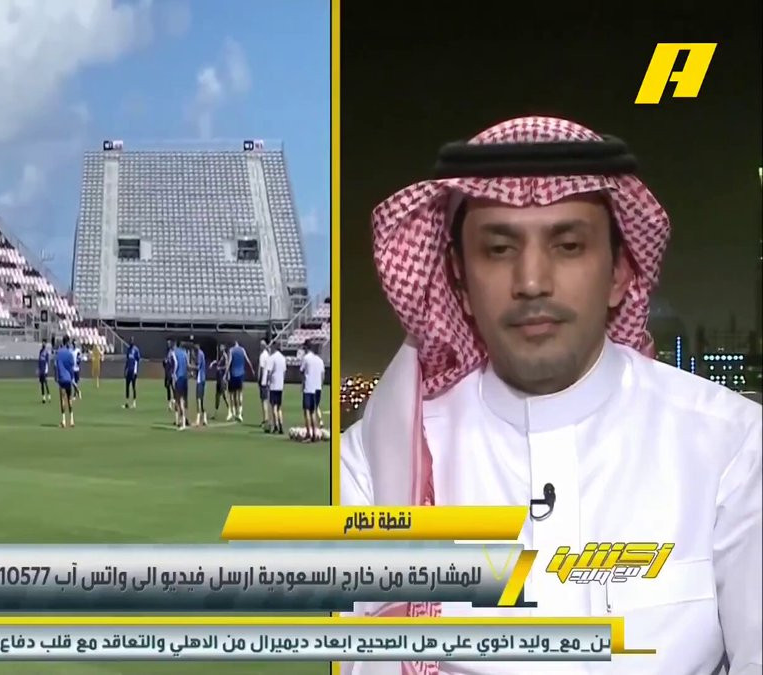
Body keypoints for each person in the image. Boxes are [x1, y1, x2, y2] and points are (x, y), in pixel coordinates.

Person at [339, 117, 761, 675]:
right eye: (498, 249)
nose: (532, 281)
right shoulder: (377, 467)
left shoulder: (731, 447)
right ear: (459, 280)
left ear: (620, 272)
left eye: (568, 246)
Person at [299, 341, 325, 442]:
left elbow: (302, 371)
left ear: (306, 348)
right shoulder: (319, 360)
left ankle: (309, 434)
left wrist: (303, 384)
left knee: (307, 411)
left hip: (309, 388)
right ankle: (314, 434)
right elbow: (322, 375)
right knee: (313, 411)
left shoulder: (306, 358)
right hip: (317, 388)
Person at [225, 340, 251, 422]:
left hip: (233, 374)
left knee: (232, 394)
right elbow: (247, 360)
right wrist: (252, 369)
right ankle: (239, 413)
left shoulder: (231, 350)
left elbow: (229, 362)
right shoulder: (242, 349)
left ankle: (233, 412)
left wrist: (226, 373)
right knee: (240, 393)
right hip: (241, 374)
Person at [54, 336, 76, 428]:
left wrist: (56, 377)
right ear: (68, 342)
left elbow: (56, 366)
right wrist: (72, 379)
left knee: (62, 399)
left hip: (61, 379)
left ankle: (63, 421)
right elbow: (71, 368)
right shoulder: (70, 354)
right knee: (69, 398)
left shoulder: (59, 353)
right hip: (68, 379)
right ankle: (71, 420)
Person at [265, 342, 286, 434]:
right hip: (280, 385)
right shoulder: (283, 358)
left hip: (273, 385)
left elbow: (269, 372)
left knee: (274, 406)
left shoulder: (272, 358)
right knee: (279, 407)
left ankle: (276, 425)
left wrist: (267, 382)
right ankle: (281, 425)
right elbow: (284, 372)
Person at [171, 341, 190, 430]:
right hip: (185, 378)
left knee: (179, 400)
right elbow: (188, 364)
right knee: (183, 400)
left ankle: (182, 423)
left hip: (178, 378)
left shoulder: (174, 353)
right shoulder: (185, 353)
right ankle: (183, 421)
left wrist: (174, 374)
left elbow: (175, 364)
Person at [256, 339, 271, 429]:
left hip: (263, 381)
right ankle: (266, 418)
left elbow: (261, 369)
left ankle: (265, 419)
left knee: (263, 401)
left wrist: (258, 379)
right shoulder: (268, 355)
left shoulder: (262, 356)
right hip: (267, 381)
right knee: (266, 400)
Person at [124, 337, 141, 409]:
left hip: (133, 371)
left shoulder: (136, 350)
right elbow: (127, 360)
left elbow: (137, 361)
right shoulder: (128, 350)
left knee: (133, 386)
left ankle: (134, 403)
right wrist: (125, 370)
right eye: (130, 341)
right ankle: (127, 403)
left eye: (132, 341)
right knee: (127, 386)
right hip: (129, 371)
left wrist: (135, 371)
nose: (131, 342)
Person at [213, 344, 230, 416]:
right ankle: (215, 412)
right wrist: (213, 363)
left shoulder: (225, 356)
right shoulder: (220, 356)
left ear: (224, 348)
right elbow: (217, 362)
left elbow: (226, 366)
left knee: (224, 395)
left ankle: (230, 410)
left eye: (221, 347)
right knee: (217, 396)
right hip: (219, 378)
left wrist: (221, 369)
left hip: (223, 378)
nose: (220, 348)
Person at [194, 345, 208, 426]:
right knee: (202, 399)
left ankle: (198, 419)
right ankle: (205, 418)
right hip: (203, 378)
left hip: (200, 379)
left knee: (198, 399)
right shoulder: (202, 353)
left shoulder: (199, 354)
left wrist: (189, 367)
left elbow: (198, 367)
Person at [163, 339, 176, 411]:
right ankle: (170, 403)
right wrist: (164, 362)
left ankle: (174, 400)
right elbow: (165, 364)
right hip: (166, 372)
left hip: (170, 373)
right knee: (167, 387)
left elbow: (174, 363)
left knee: (171, 386)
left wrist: (173, 372)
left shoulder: (172, 353)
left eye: (169, 344)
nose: (168, 345)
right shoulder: (166, 353)